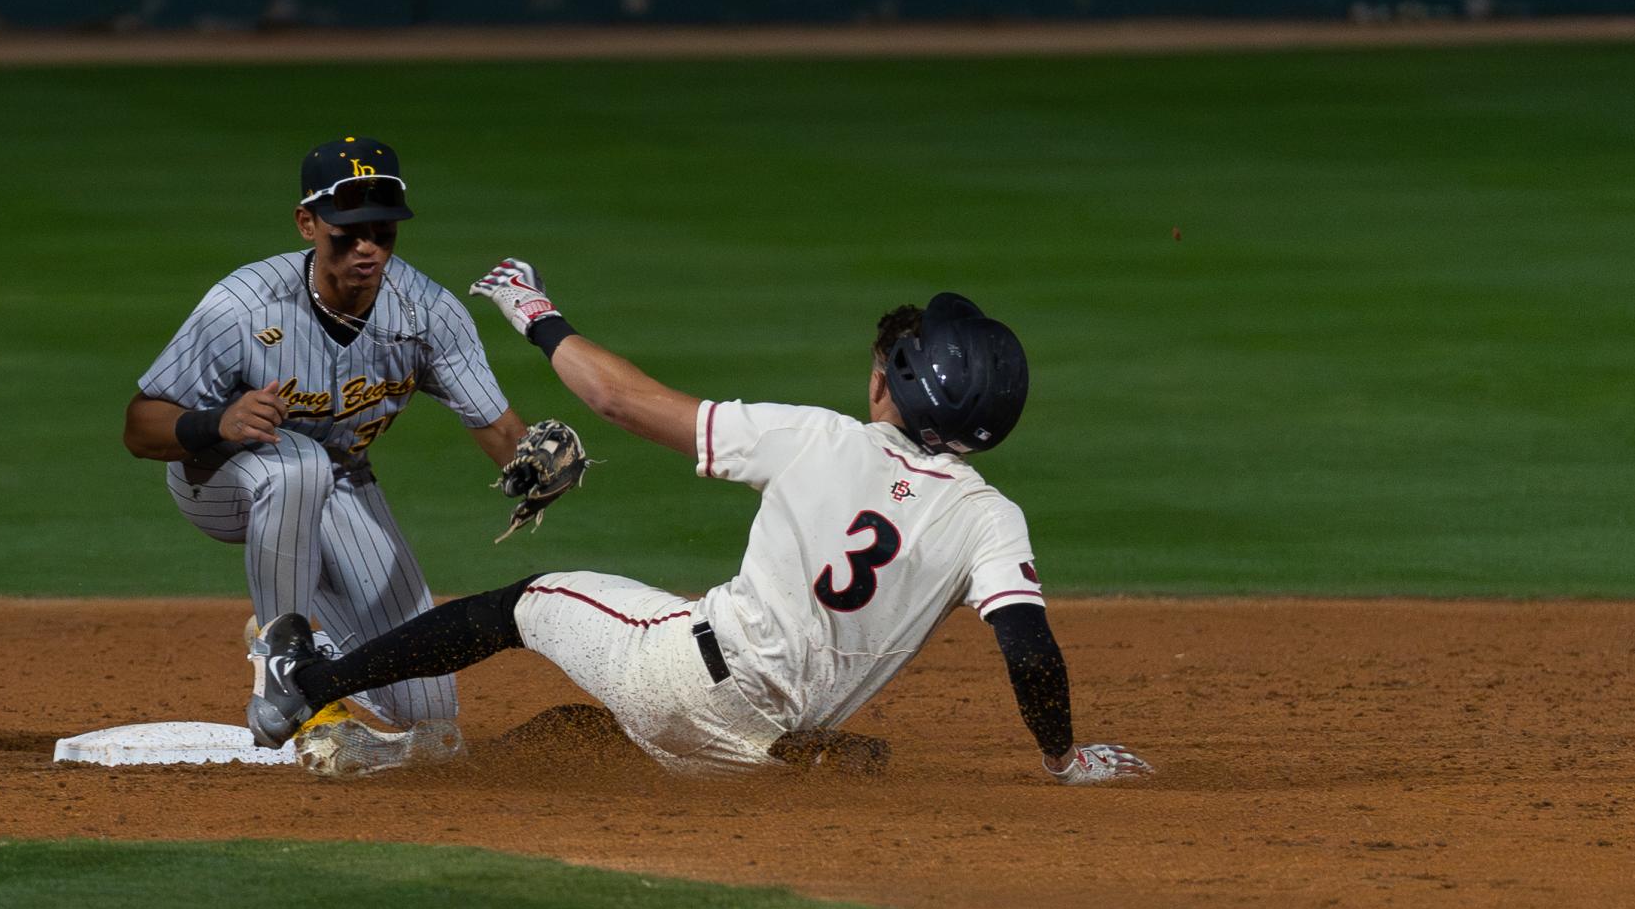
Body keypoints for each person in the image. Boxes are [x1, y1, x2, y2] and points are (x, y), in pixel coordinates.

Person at [246, 258, 1152, 785]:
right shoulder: (993, 519)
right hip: (748, 755)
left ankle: (306, 681)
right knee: (594, 732)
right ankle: (409, 761)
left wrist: (536, 313)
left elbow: (621, 401)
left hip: (682, 676)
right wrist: (1065, 759)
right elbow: (1029, 651)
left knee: (523, 604)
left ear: (890, 377)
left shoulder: (818, 439)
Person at [124, 140, 582, 746]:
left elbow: (501, 434)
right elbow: (140, 425)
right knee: (297, 464)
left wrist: (538, 468)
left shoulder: (427, 314)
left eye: (382, 232)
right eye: (347, 233)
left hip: (339, 485)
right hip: (219, 480)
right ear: (307, 223)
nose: (368, 248)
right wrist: (216, 422)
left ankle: (315, 652)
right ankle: (281, 656)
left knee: (426, 706)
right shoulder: (243, 304)